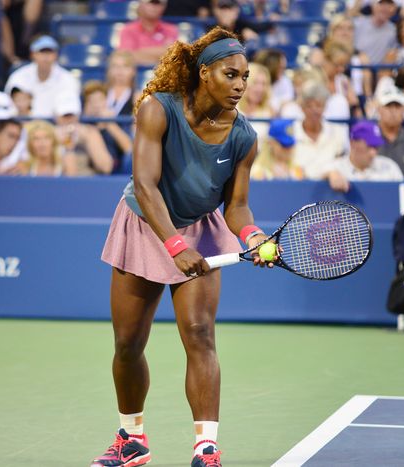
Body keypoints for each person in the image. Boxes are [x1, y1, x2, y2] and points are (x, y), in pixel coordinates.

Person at [94, 27, 269, 467]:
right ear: (204, 71)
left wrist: (253, 236)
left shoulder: (244, 136)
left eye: (245, 77)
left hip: (201, 230)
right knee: (128, 344)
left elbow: (238, 207)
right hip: (146, 225)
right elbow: (146, 185)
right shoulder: (157, 109)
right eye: (231, 74)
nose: (240, 86)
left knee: (200, 334)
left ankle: (205, 449)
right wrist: (173, 245)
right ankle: (131, 439)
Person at [4, 35, 81, 119]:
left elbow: (72, 110)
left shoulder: (68, 79)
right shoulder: (18, 77)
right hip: (25, 125)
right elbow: (10, 108)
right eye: (42, 52)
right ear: (33, 54)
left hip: (56, 127)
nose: (46, 57)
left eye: (49, 52)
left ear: (56, 55)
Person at [291, 80, 350, 180]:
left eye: (319, 105)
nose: (314, 110)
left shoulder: (337, 132)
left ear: (325, 106)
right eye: (309, 106)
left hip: (329, 189)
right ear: (302, 107)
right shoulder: (291, 131)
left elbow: (342, 165)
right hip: (297, 187)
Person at [328, 120, 404, 192]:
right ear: (353, 143)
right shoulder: (337, 167)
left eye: (376, 147)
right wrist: (329, 174)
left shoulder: (389, 167)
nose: (373, 153)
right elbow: (319, 173)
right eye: (370, 146)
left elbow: (402, 195)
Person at [82, 80, 133, 174]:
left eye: (100, 100)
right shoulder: (82, 126)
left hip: (115, 172)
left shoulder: (116, 122)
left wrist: (109, 123)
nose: (96, 105)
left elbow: (129, 148)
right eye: (91, 101)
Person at [118, 0, 179, 66]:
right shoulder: (128, 29)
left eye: (157, 3)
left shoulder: (172, 30)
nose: (153, 7)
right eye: (150, 2)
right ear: (141, 4)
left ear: (164, 6)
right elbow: (126, 58)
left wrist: (138, 52)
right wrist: (161, 53)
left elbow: (173, 57)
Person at [252, 48, 294, 114]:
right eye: (280, 68)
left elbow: (287, 104)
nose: (282, 72)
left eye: (284, 68)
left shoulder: (285, 81)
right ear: (271, 67)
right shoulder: (252, 78)